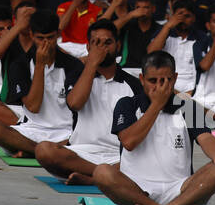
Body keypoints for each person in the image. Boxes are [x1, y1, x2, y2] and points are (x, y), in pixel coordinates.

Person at [91, 50, 215, 205]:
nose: (159, 87)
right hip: (135, 196)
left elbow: (205, 137)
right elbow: (129, 142)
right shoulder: (127, 104)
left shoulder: (188, 106)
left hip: (181, 193)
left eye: (165, 80)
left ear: (174, 78)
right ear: (142, 79)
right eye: (152, 81)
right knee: (102, 172)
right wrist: (156, 105)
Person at [34, 21, 138, 185]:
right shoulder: (77, 75)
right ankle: (102, 177)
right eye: (97, 43)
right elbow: (75, 103)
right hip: (82, 154)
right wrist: (92, 63)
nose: (102, 48)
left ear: (118, 45)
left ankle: (93, 179)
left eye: (108, 43)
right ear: (88, 47)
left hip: (119, 157)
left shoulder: (133, 83)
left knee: (143, 163)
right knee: (44, 150)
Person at [0, 10, 83, 157]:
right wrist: (40, 66)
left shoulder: (74, 65)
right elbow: (33, 106)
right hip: (32, 130)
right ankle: (43, 151)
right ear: (31, 35)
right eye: (40, 38)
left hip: (66, 133)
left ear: (58, 35)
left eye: (50, 38)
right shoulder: (20, 65)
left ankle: (33, 151)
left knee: (82, 141)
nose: (46, 43)